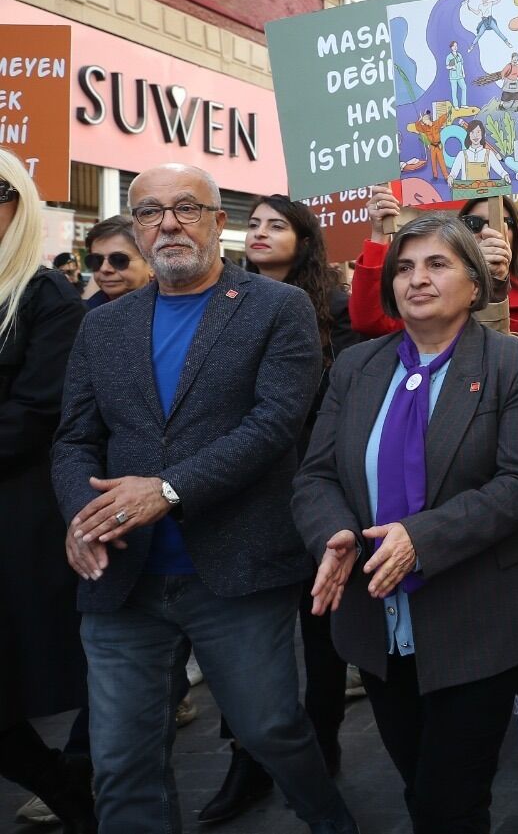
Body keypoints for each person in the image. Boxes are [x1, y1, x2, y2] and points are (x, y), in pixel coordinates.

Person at [51, 163, 356, 833]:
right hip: (122, 579)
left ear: (221, 222)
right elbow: (75, 437)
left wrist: (168, 489)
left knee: (272, 729)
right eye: (151, 211)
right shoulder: (102, 325)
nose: (168, 222)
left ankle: (333, 822)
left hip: (235, 571)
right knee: (123, 761)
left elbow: (275, 425)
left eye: (187, 207)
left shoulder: (278, 308)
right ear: (136, 227)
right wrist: (82, 514)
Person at [292, 214, 518, 833]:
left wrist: (421, 537)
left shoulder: (512, 364)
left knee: (451, 800)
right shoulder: (356, 367)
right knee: (418, 782)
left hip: (479, 619)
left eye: (437, 264)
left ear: (476, 284)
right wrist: (333, 533)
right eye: (405, 267)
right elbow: (315, 476)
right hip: (379, 623)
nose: (417, 278)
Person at [194, 195, 367, 823]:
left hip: (315, 497)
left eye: (277, 224)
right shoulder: (218, 305)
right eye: (254, 223)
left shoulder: (337, 313)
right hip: (240, 499)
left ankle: (320, 752)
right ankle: (248, 761)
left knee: (321, 641)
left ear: (305, 239)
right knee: (247, 646)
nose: (260, 232)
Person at [0, 152, 95, 832]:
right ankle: (71, 789)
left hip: (17, 521)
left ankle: (75, 793)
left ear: (20, 201)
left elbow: (34, 415)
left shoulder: (44, 294)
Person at [355, 185, 518, 335]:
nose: (486, 231)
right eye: (473, 223)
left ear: (517, 235)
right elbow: (369, 323)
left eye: (502, 222)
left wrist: (496, 285)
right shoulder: (433, 291)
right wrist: (379, 234)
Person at [82, 215, 154, 310]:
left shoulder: (171, 310)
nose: (104, 269)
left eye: (119, 260)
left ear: (152, 265)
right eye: (97, 260)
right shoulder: (84, 315)